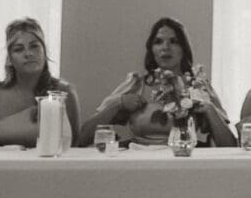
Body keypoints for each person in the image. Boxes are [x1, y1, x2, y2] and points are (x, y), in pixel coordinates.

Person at [84, 17, 236, 147]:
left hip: (183, 161)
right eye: (158, 42)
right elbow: (82, 138)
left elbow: (230, 146)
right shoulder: (137, 84)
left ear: (184, 49)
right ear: (152, 50)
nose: (165, 48)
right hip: (140, 163)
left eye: (173, 41)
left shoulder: (197, 86)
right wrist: (118, 104)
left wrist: (210, 110)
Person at [0, 17, 82, 148]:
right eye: (19, 49)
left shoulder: (64, 93)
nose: (28, 54)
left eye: (34, 46)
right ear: (10, 59)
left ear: (44, 52)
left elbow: (75, 147)